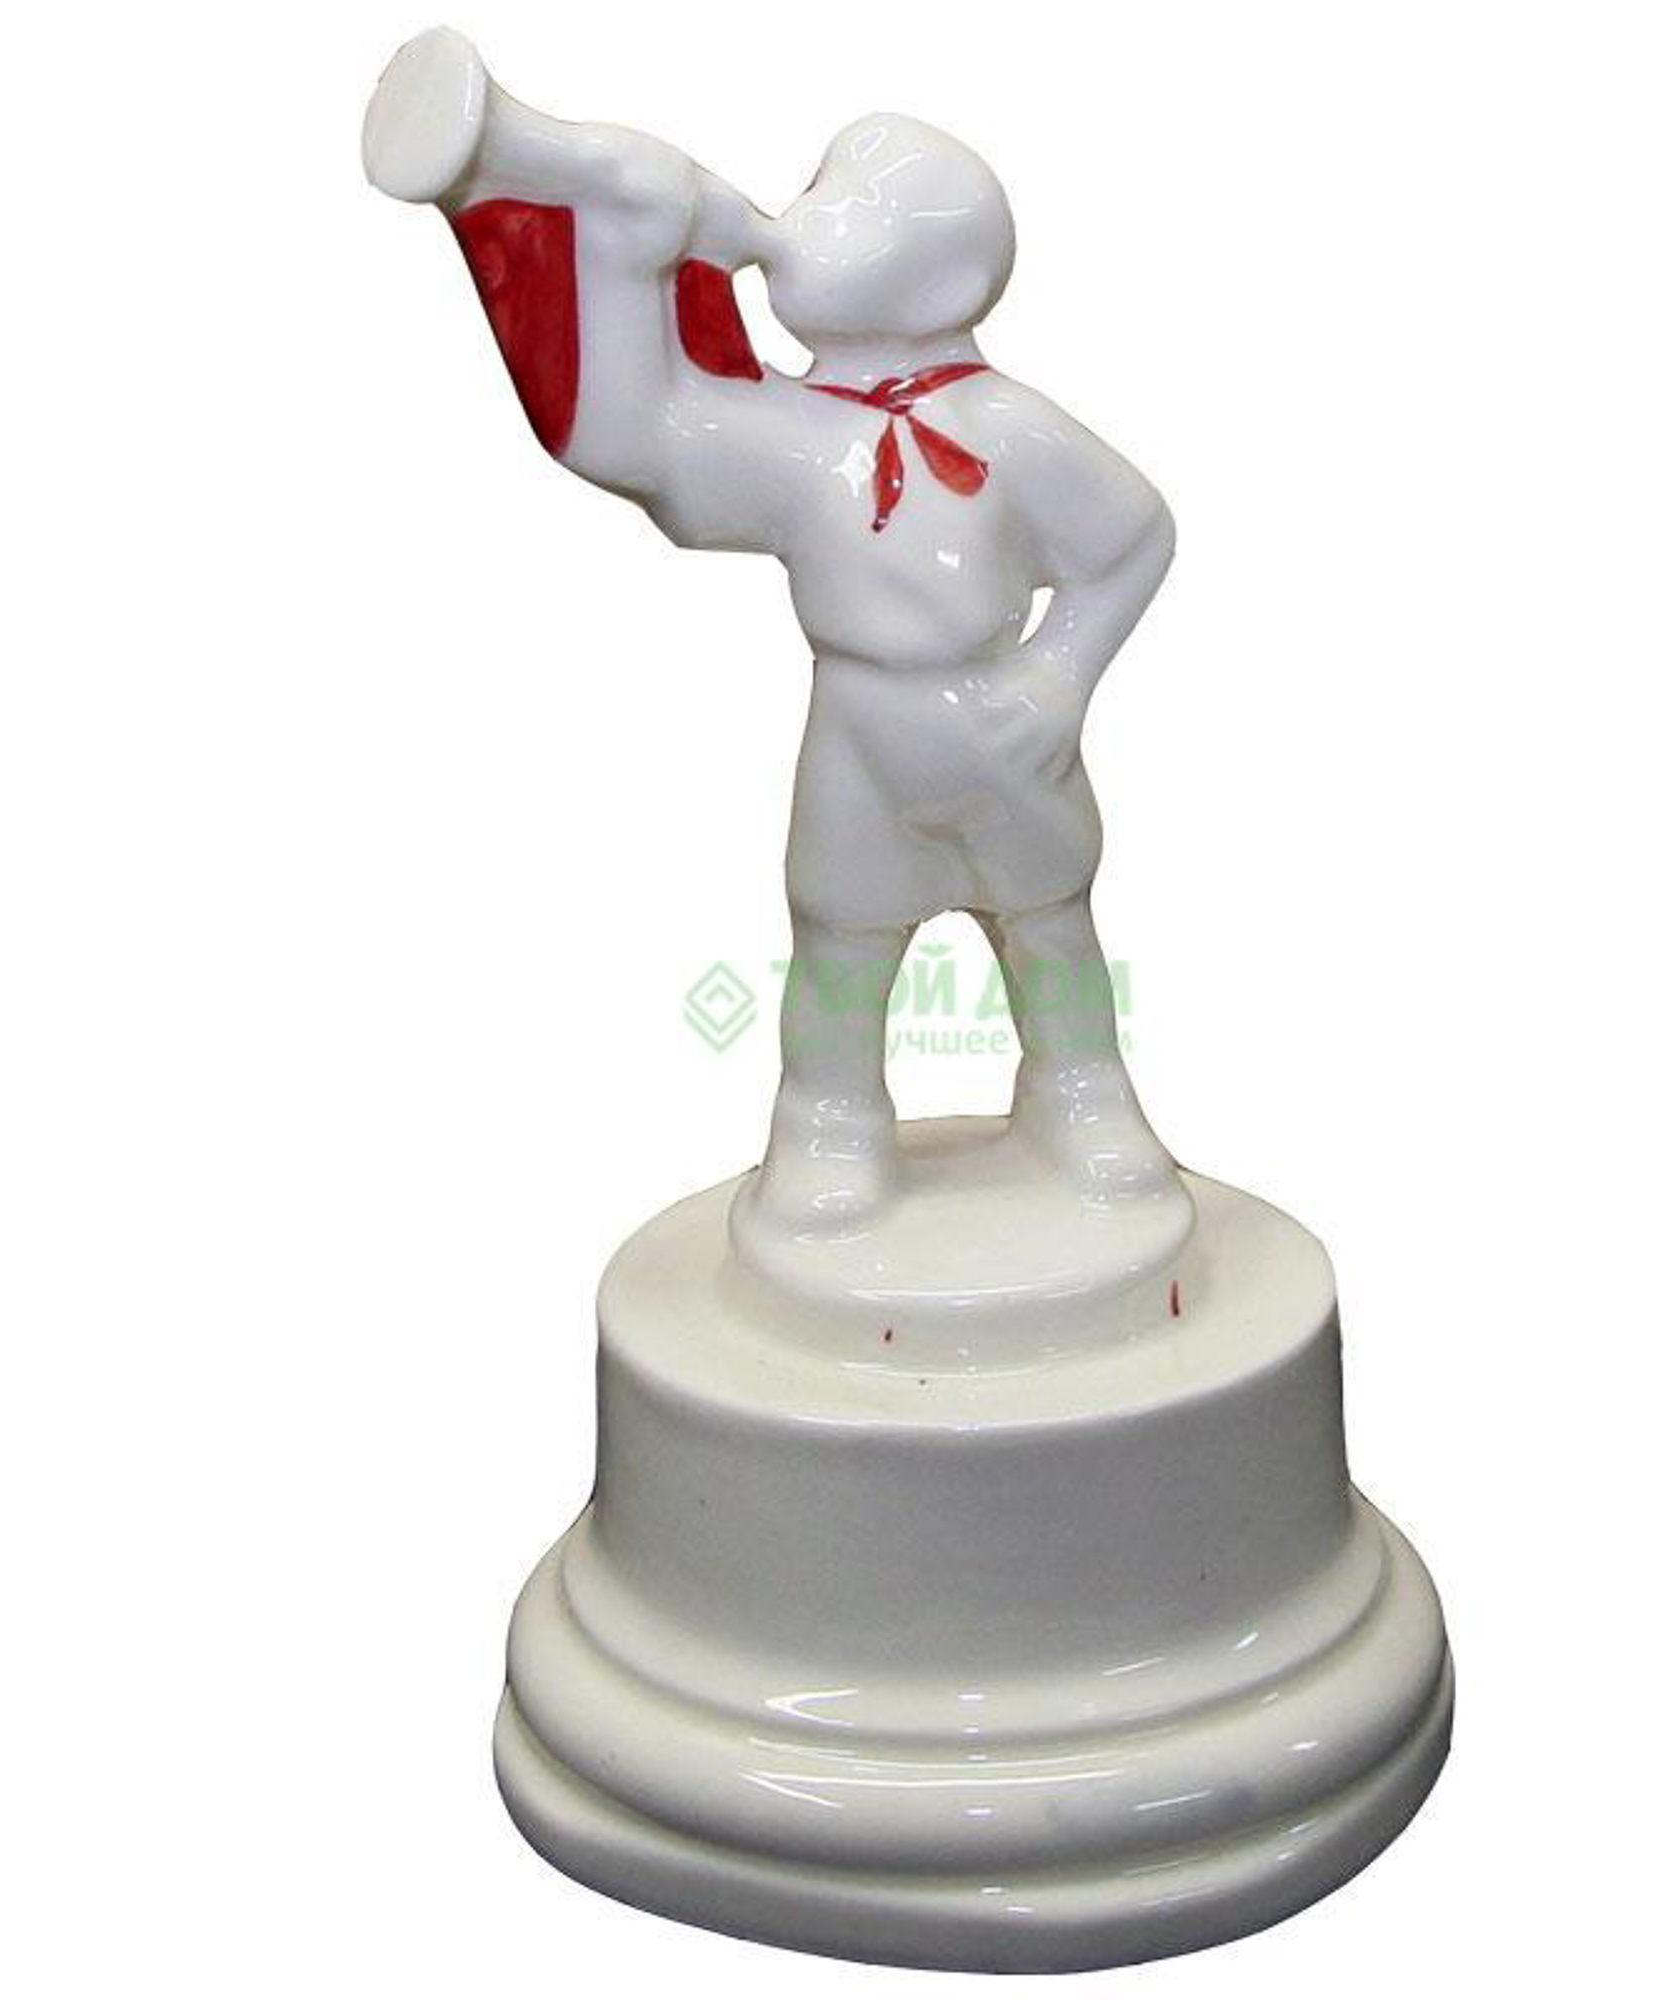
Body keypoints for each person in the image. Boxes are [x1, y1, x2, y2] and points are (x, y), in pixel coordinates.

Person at [367, 31, 1180, 1237]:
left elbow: (1133, 538)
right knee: (842, 932)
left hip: (991, 719)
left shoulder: (1013, 428)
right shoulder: (791, 427)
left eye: (840, 210)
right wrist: (626, 260)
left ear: (941, 281)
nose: (797, 221)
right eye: (813, 189)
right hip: (857, 724)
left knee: (1049, 914)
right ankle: (826, 1118)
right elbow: (638, 439)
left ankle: (1082, 1090)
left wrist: (1061, 674)